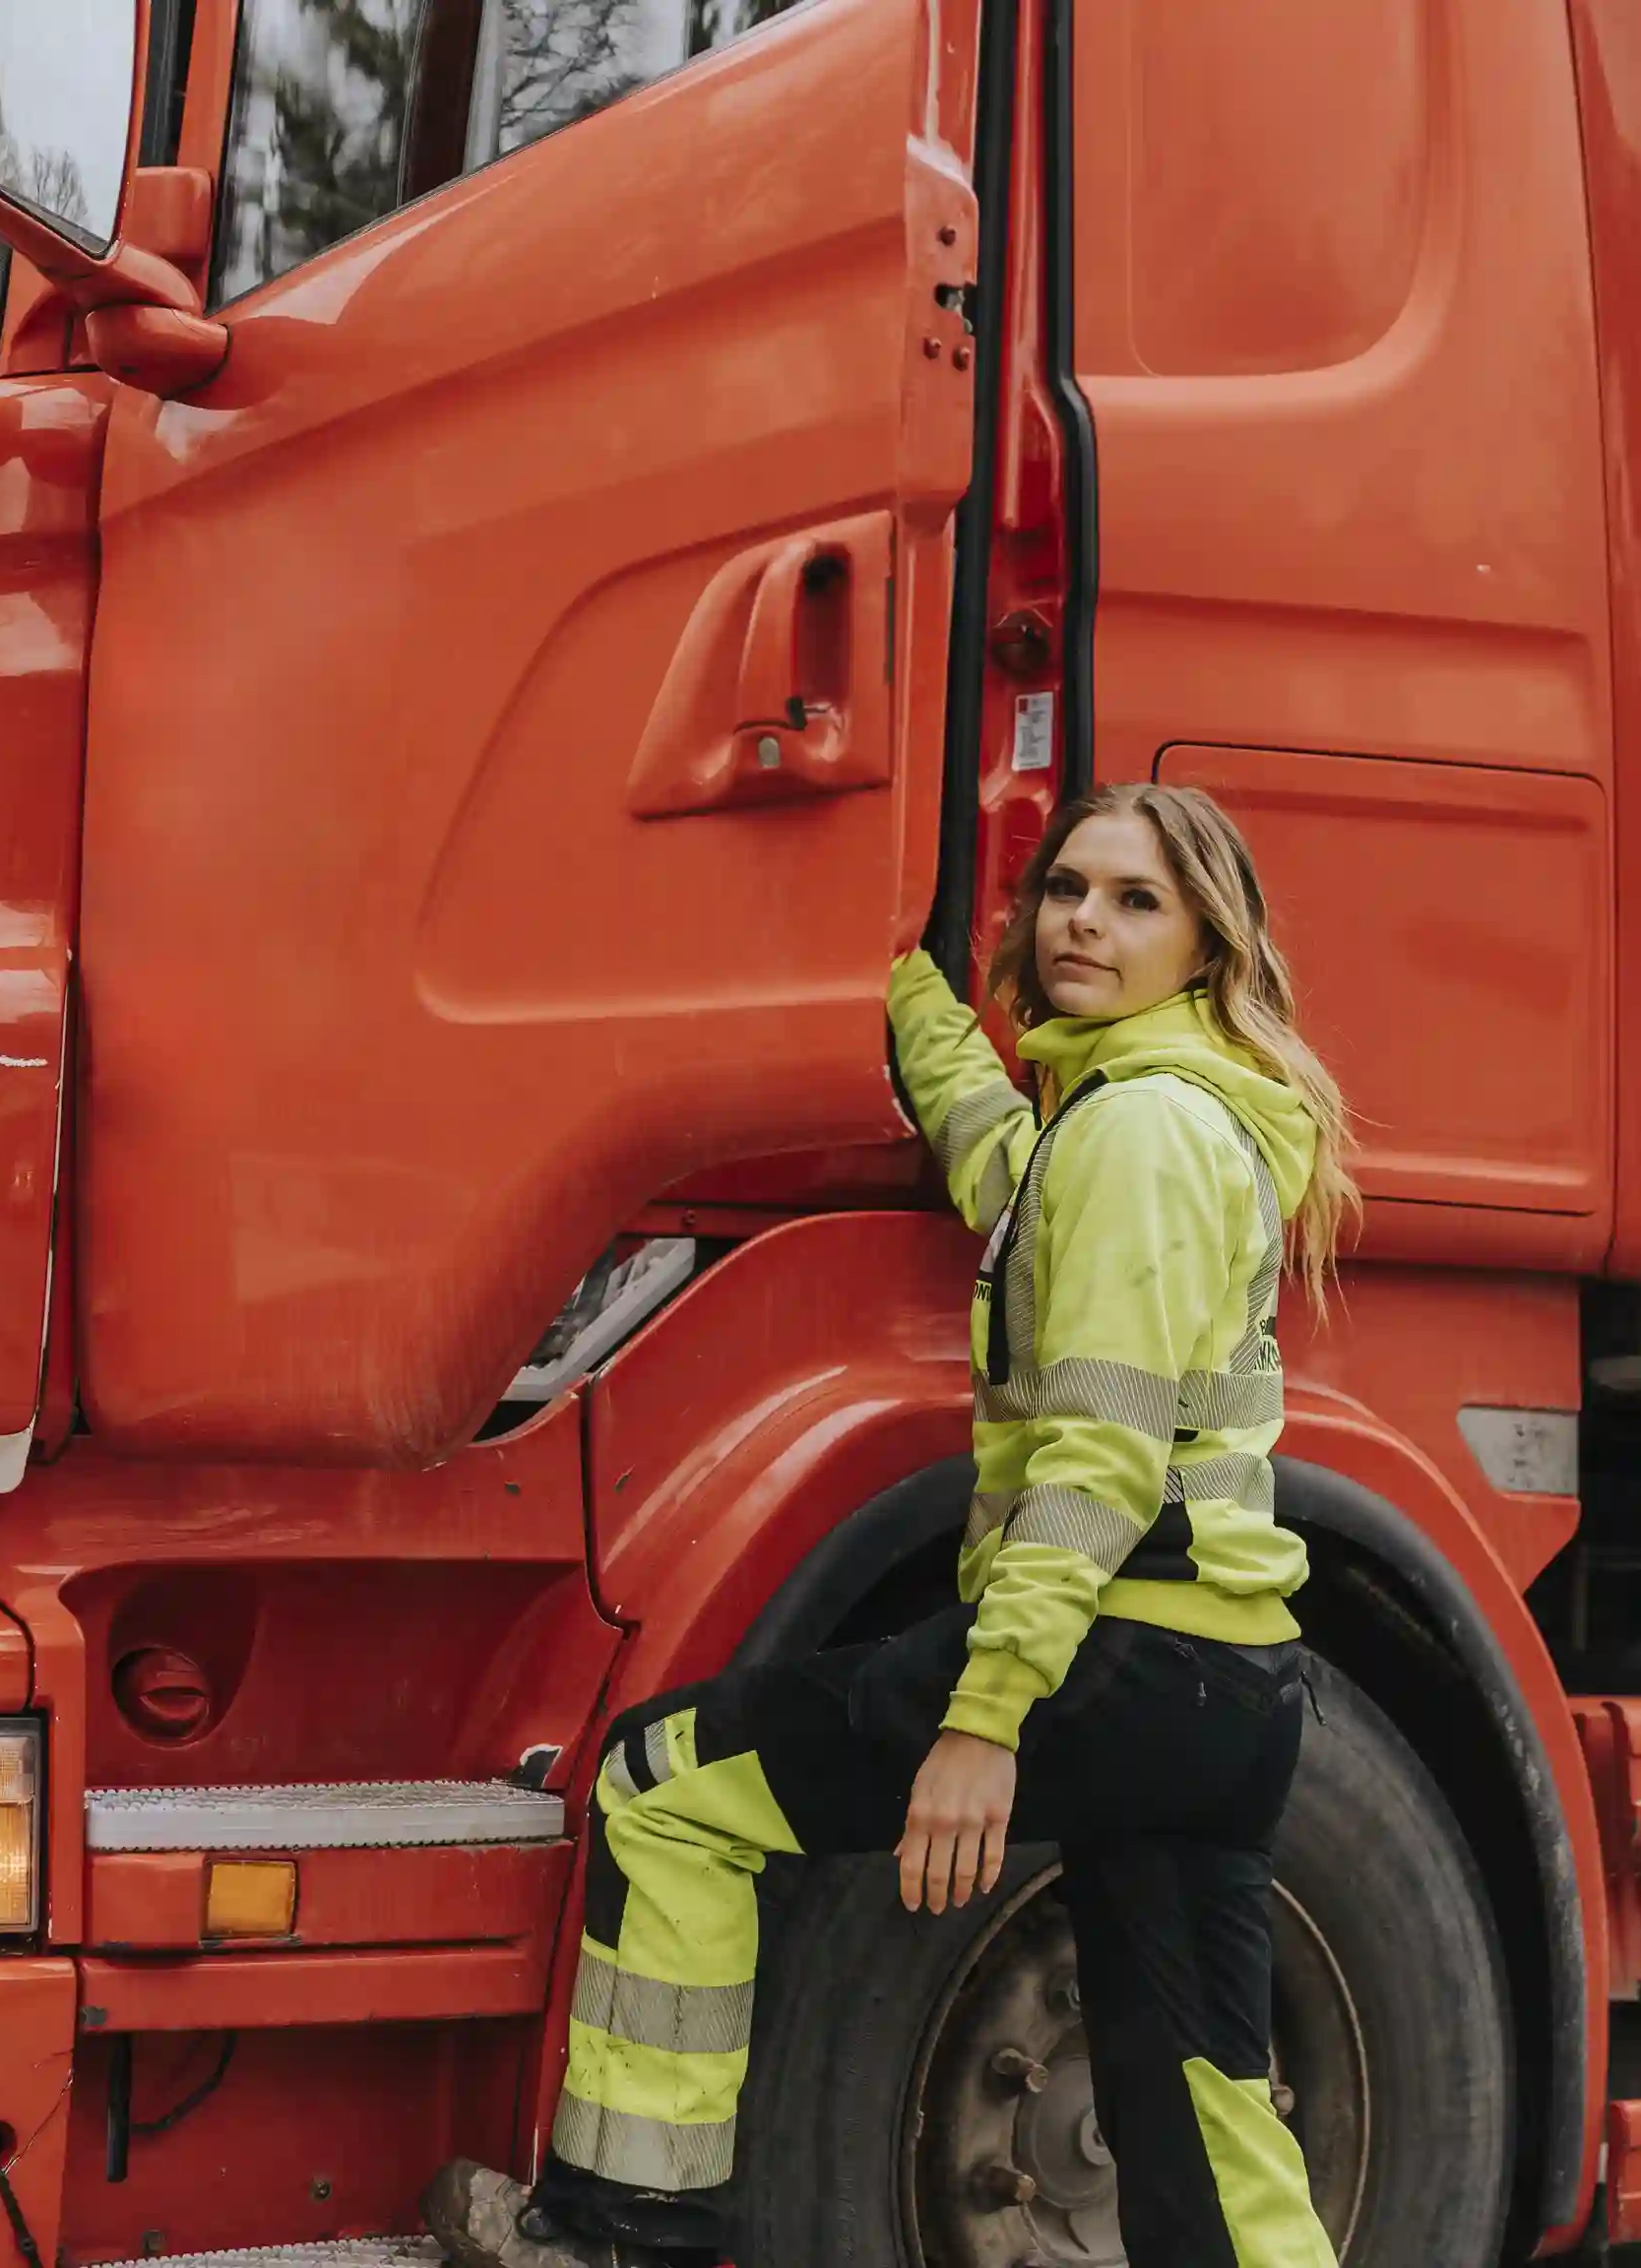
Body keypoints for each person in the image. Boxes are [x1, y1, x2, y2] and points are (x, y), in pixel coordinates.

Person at [427, 782, 1361, 2268]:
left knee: (667, 1790)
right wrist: (903, 990)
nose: (1083, 922)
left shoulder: (1133, 1138)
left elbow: (1101, 1464)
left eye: (1136, 902)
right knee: (1206, 2123)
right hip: (1227, 1690)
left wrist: (985, 1722)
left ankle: (622, 2232)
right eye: (1068, 888)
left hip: (1108, 1662)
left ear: (1206, 945)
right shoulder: (1167, 1120)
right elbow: (999, 1154)